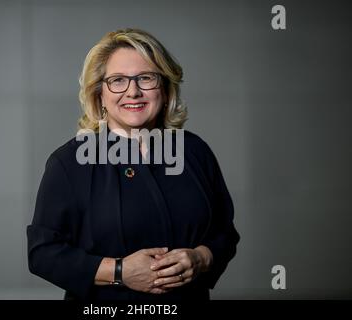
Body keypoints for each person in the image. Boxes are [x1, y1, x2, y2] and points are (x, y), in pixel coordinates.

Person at [27, 28, 240, 301]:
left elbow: (224, 233)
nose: (133, 91)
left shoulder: (195, 151)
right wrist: (119, 271)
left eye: (146, 78)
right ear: (100, 93)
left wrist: (200, 257)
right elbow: (42, 253)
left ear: (164, 89)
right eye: (117, 80)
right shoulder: (69, 163)